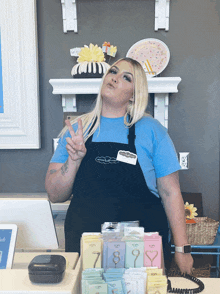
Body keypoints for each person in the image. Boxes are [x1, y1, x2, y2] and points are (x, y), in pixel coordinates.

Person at [45, 57, 193, 274]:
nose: (114, 78)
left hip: (143, 249)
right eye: (112, 71)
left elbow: (171, 193)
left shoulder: (152, 130)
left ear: (134, 94)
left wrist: (182, 249)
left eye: (126, 77)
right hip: (87, 250)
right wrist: (73, 160)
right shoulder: (77, 130)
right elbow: (54, 194)